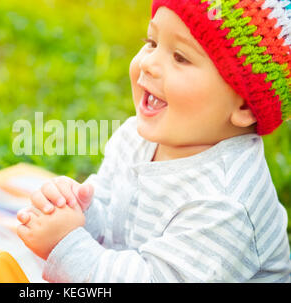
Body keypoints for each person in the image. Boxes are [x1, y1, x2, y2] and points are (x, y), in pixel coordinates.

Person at [16, 0, 291, 282]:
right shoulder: (135, 136)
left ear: (244, 106)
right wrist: (78, 212)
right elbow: (113, 222)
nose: (148, 62)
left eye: (180, 57)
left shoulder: (226, 203)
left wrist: (69, 246)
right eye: (151, 42)